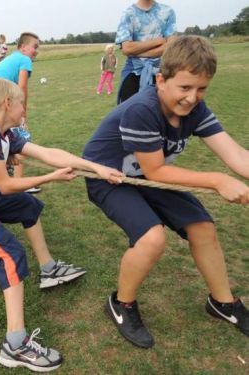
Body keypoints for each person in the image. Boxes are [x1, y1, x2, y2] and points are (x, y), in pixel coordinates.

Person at [0, 78, 123, 371]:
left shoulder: (5, 132)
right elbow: (7, 185)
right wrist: (50, 178)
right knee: (10, 254)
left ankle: (48, 270)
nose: (24, 106)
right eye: (21, 101)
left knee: (28, 205)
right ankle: (15, 344)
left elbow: (48, 153)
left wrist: (96, 167)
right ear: (7, 103)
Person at [82, 35, 249, 349]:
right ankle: (122, 304)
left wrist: (231, 174)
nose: (192, 98)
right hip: (110, 178)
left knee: (202, 227)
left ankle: (223, 303)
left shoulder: (195, 109)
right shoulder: (141, 110)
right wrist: (217, 180)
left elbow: (237, 156)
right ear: (161, 79)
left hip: (146, 174)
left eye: (202, 89)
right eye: (184, 88)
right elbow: (158, 171)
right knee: (152, 238)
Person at [0, 32, 40, 191]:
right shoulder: (24, 59)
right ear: (23, 48)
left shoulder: (14, 57)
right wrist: (23, 113)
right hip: (1, 98)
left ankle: (0, 177)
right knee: (22, 140)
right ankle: (19, 184)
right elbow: (22, 86)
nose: (37, 51)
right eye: (35, 47)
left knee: (2, 138)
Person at [115, 0, 176, 103]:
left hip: (162, 73)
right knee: (130, 114)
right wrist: (158, 41)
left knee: (161, 116)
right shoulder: (128, 13)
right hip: (133, 73)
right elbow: (127, 48)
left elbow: (171, 46)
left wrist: (137, 51)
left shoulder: (167, 11)